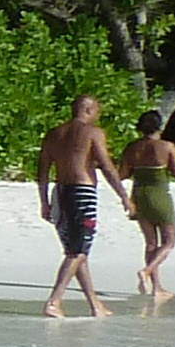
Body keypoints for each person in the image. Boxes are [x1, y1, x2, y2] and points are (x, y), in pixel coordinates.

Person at [38, 95, 132, 318]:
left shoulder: (54, 134)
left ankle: (94, 304)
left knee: (77, 251)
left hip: (60, 192)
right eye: (97, 111)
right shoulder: (93, 133)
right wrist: (124, 196)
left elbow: (41, 170)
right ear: (89, 110)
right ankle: (54, 301)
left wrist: (44, 201)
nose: (97, 115)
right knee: (78, 250)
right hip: (82, 192)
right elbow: (107, 167)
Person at [125, 107, 175, 297]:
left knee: (151, 243)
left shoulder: (132, 148)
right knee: (169, 242)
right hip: (160, 195)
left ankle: (156, 287)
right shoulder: (167, 146)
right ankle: (147, 270)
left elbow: (123, 173)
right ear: (159, 126)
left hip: (138, 195)